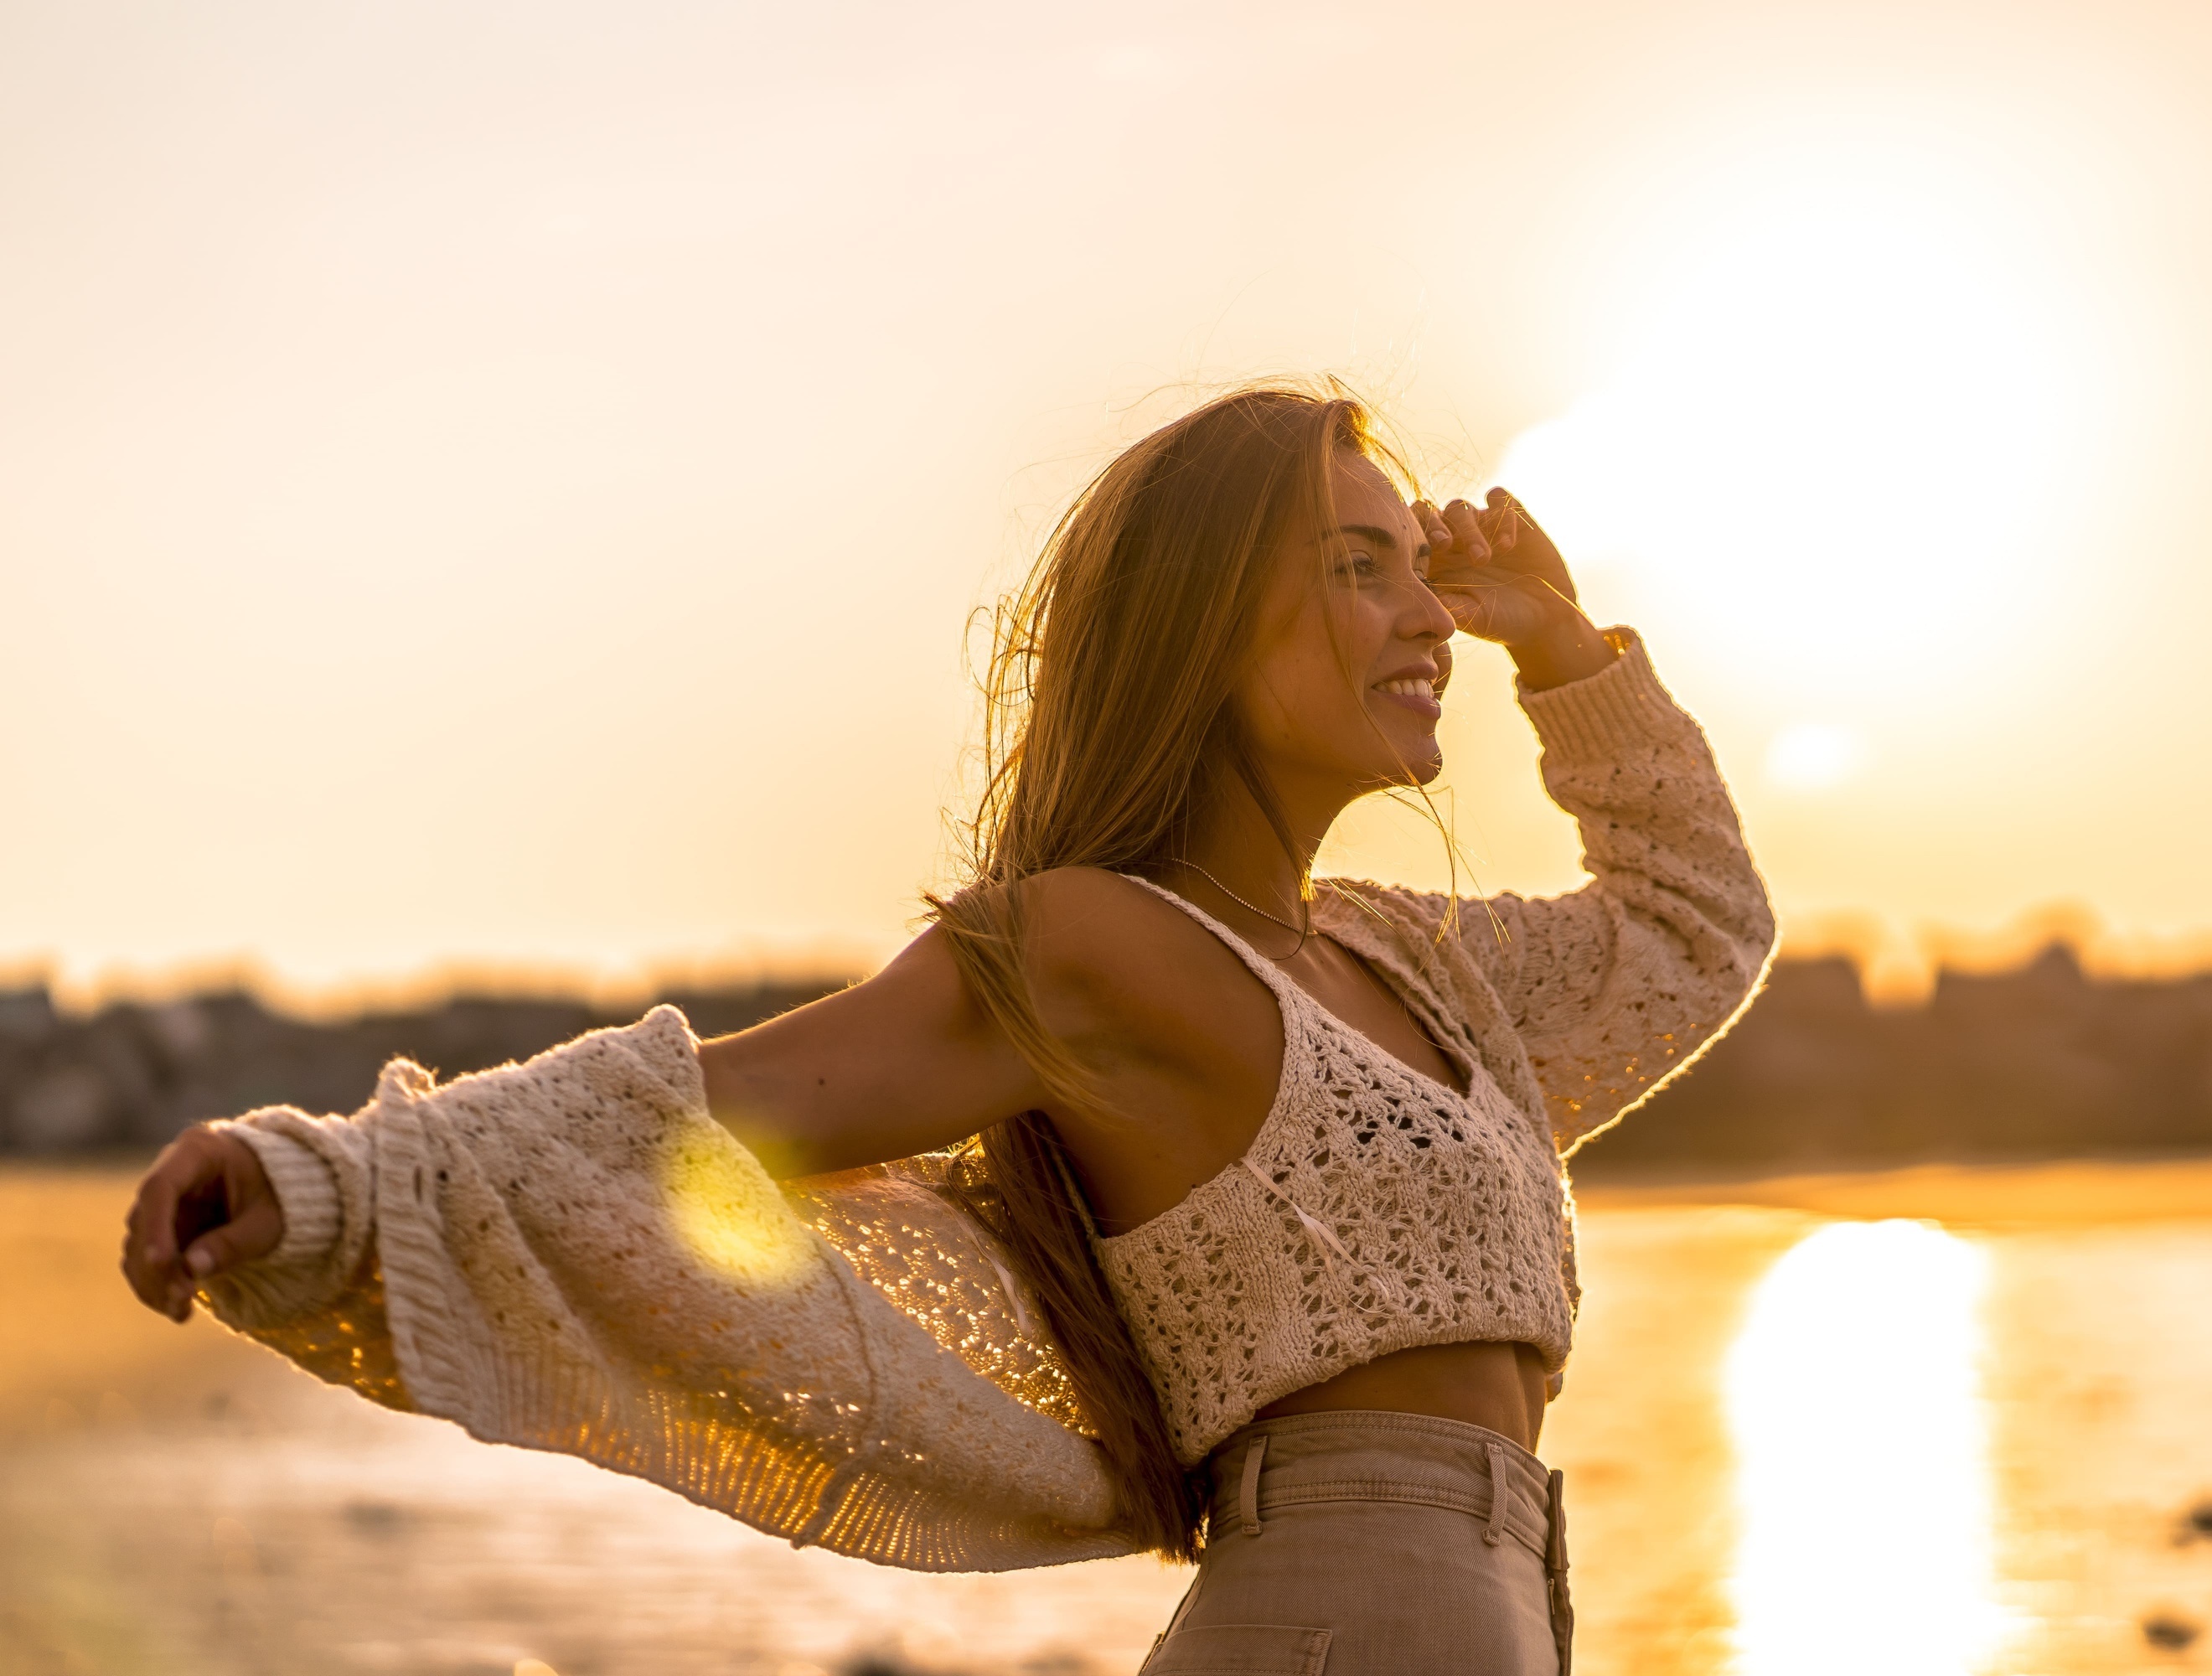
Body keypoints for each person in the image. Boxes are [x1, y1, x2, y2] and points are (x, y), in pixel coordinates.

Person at [120, 385, 1774, 1674]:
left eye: (1423, 569)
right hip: (1341, 1625)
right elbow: (695, 1118)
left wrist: (1565, 653)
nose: (1430, 620)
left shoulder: (1416, 968)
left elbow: (1696, 931)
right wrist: (328, 1179)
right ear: (1202, 620)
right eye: (1358, 566)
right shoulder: (1096, 944)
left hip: (1497, 1612)